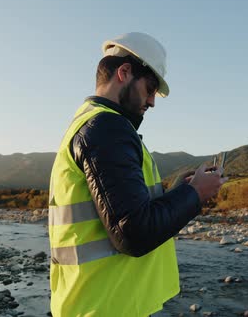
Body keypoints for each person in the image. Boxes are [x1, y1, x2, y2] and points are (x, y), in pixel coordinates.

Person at [48, 32, 228, 317]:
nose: (152, 102)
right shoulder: (106, 128)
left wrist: (179, 192)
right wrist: (195, 193)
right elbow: (134, 232)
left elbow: (122, 211)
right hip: (105, 305)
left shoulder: (92, 123)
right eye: (150, 88)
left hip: (96, 302)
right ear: (124, 72)